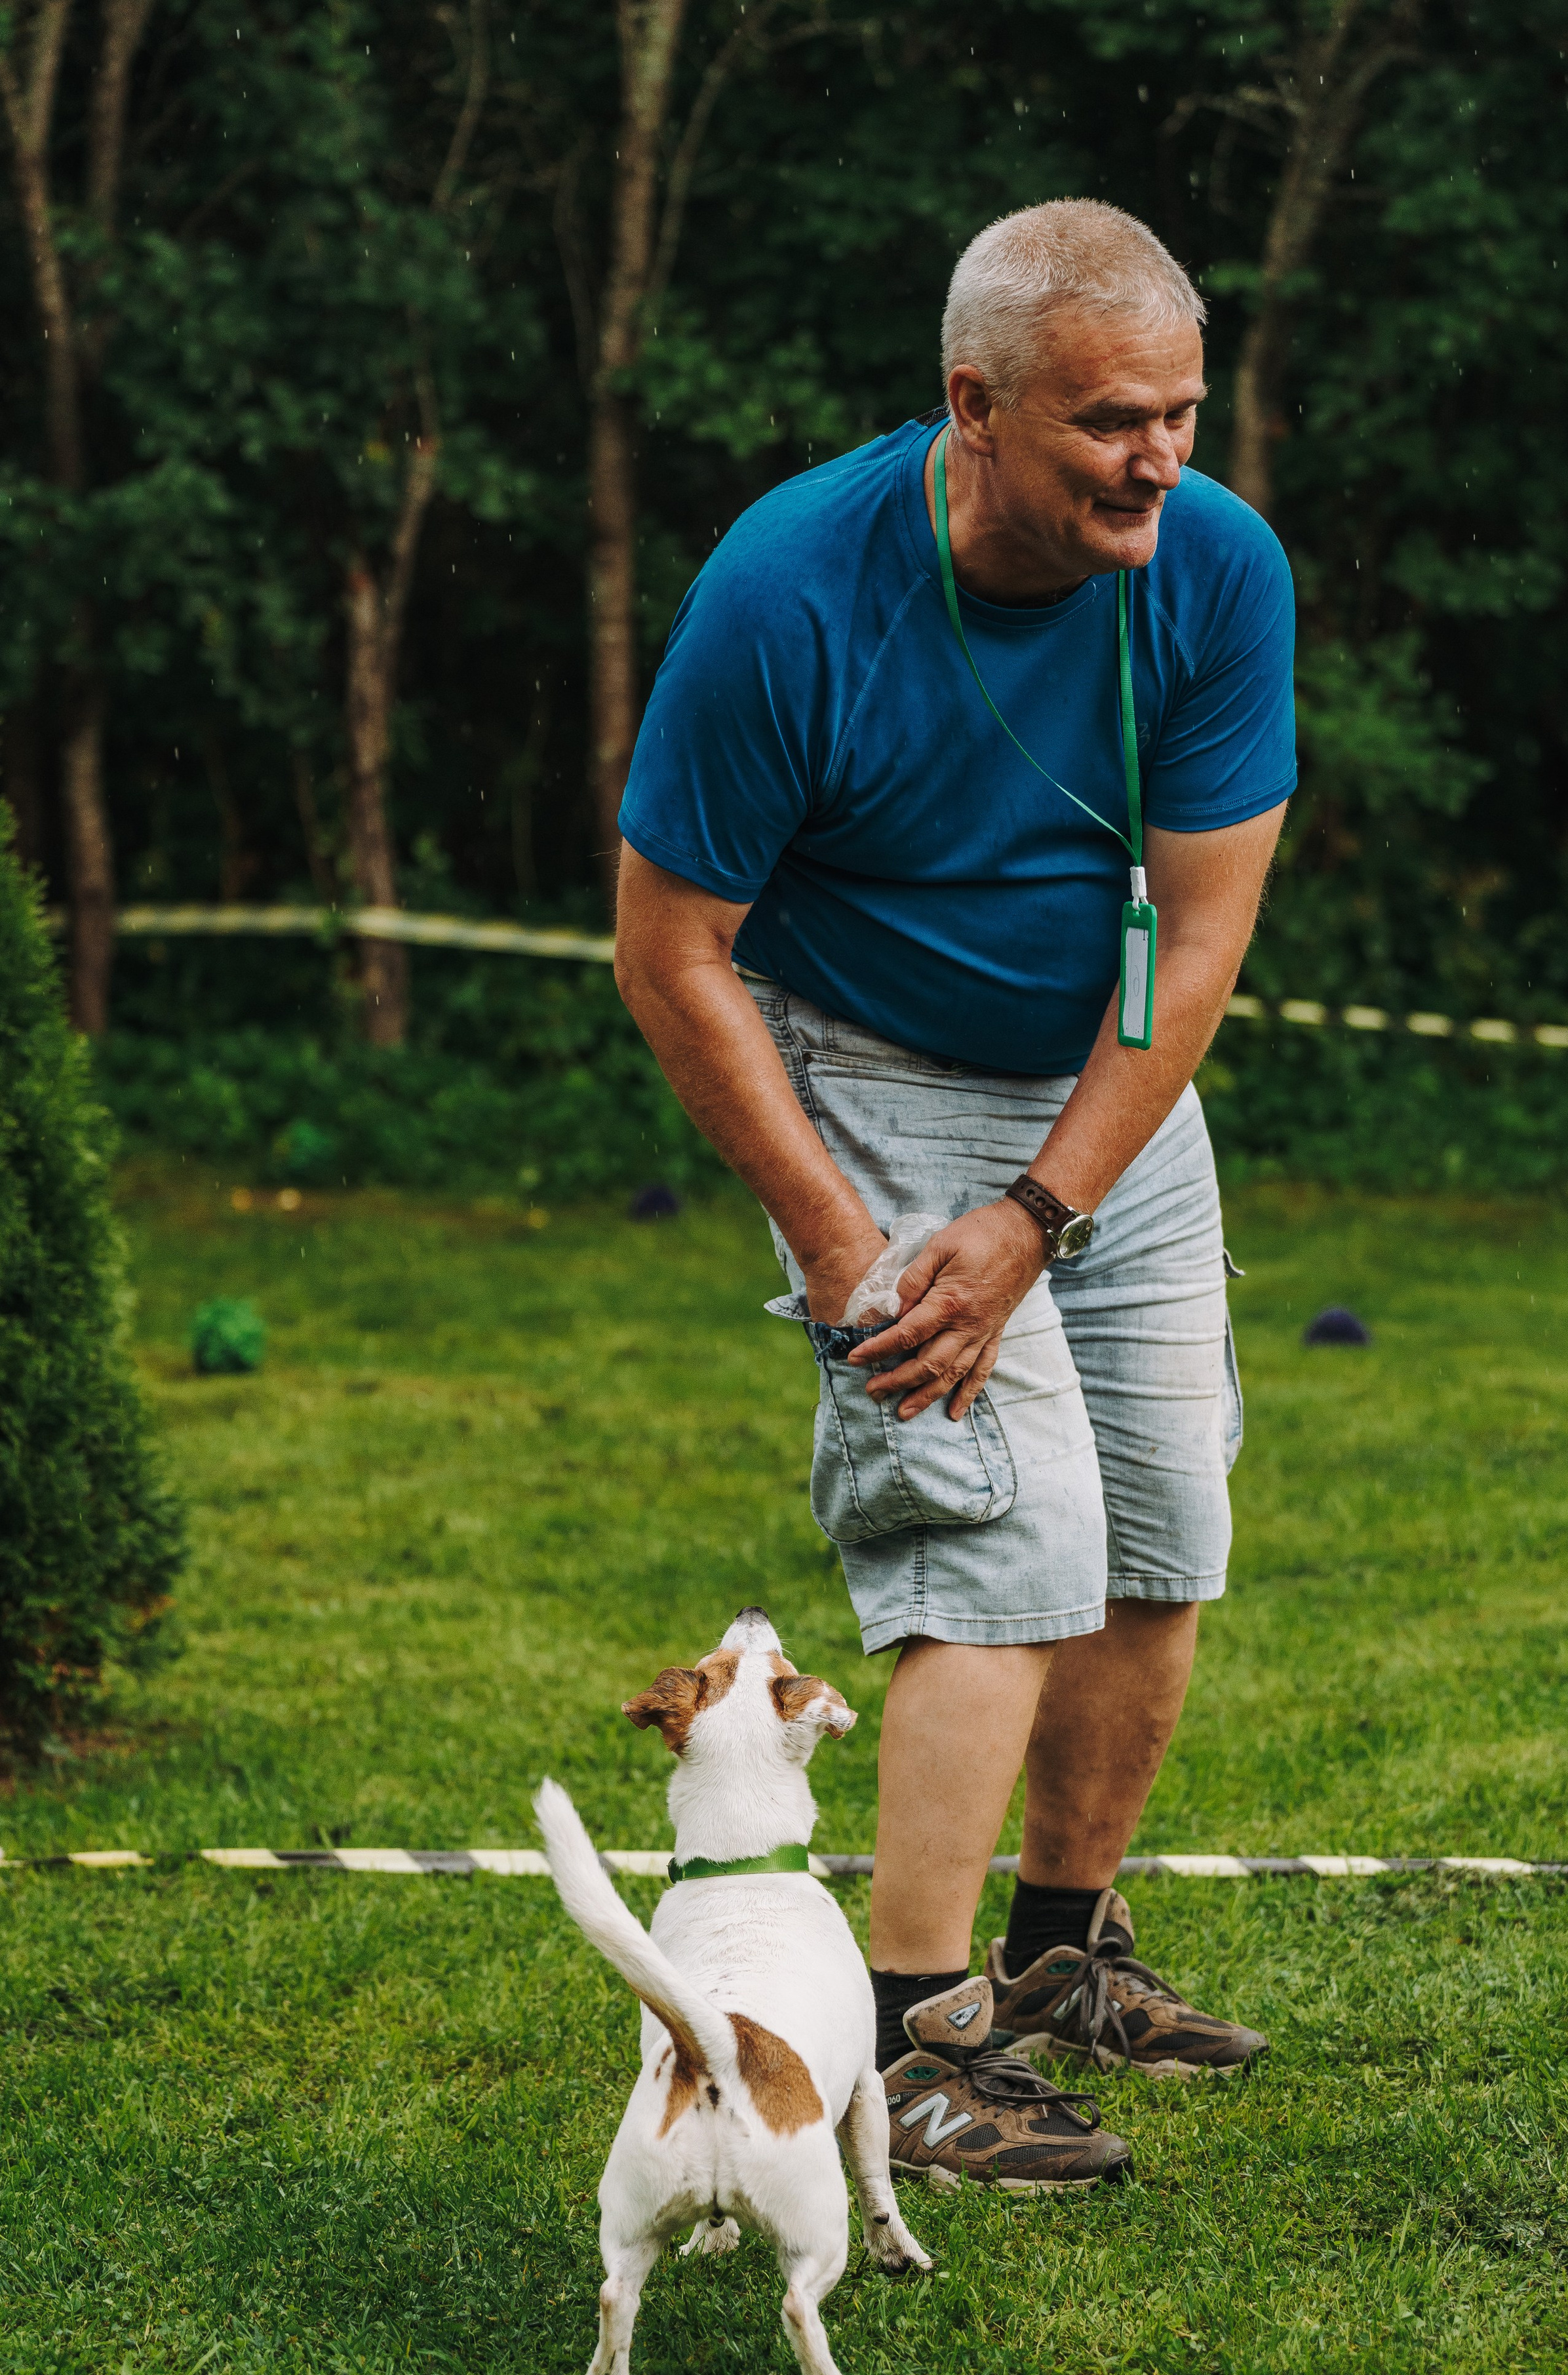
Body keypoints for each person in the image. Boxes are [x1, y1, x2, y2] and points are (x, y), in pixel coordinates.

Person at [612, 199, 1294, 2191]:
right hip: (870, 1071)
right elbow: (671, 950)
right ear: (973, 407)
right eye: (1108, 422)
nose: (1157, 457)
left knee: (1164, 1535)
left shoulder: (1216, 566)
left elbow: (1202, 932)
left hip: (1108, 1076)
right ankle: (916, 2046)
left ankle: (1066, 1953)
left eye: (1179, 411)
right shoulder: (789, 590)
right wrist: (854, 1250)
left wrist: (1044, 1213)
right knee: (998, 1540)